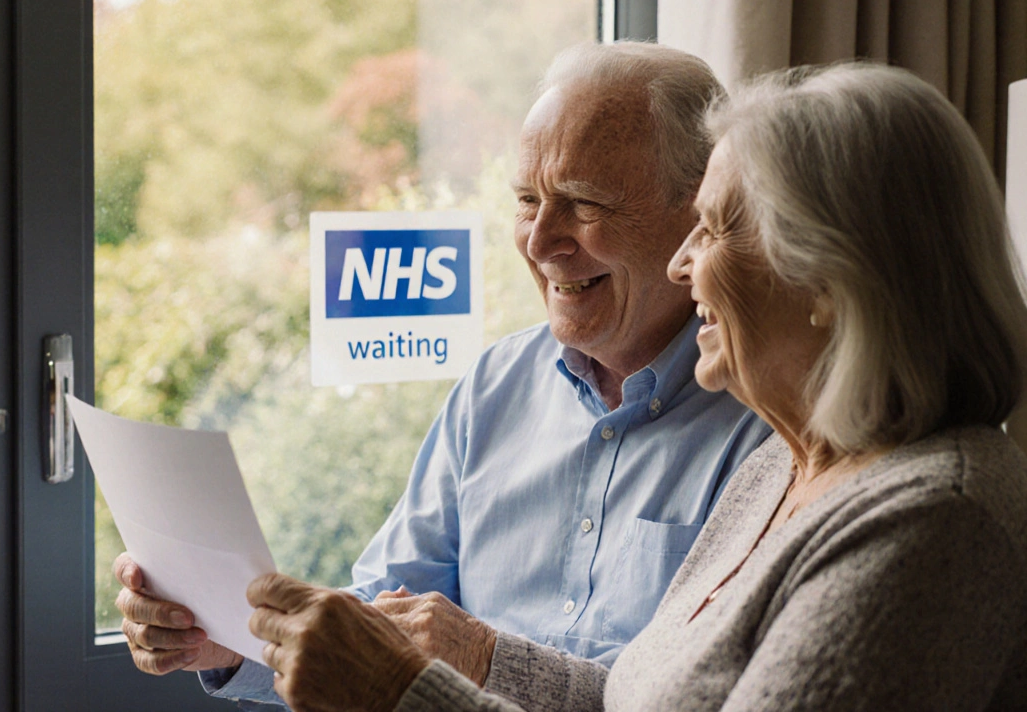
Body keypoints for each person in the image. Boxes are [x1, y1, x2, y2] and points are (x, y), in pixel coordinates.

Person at [245, 62, 1027, 711]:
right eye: (526, 200)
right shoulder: (785, 471)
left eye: (715, 229)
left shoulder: (934, 520)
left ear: (828, 279)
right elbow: (629, 698)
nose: (686, 266)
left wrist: (404, 693)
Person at [113, 41, 771, 706]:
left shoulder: (772, 425)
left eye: (583, 202)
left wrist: (484, 657)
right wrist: (231, 638)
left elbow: (693, 699)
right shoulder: (496, 383)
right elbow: (379, 620)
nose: (540, 243)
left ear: (700, 211)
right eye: (526, 200)